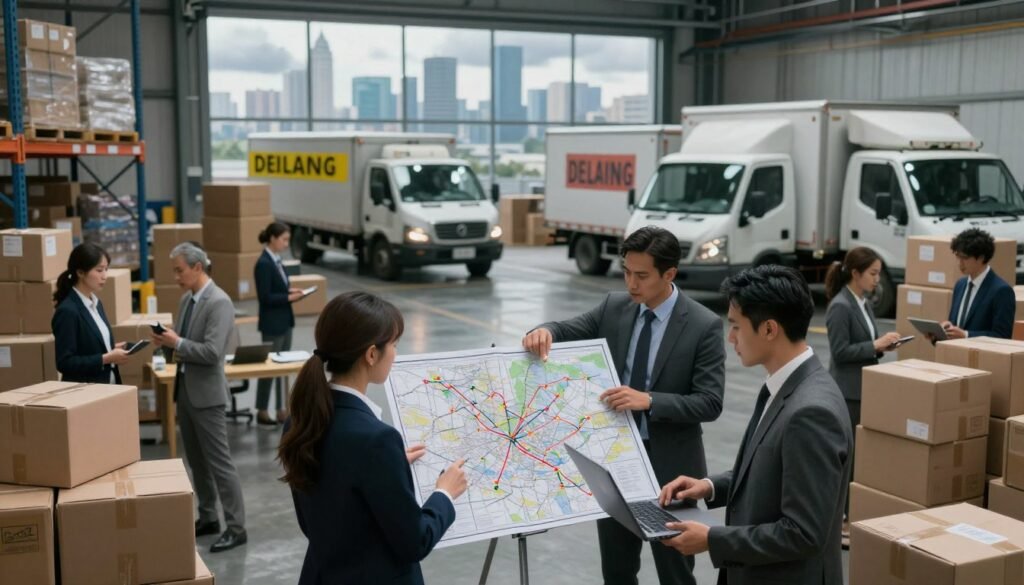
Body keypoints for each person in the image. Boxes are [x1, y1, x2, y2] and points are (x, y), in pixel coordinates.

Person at [522, 225, 725, 585]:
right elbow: (564, 329)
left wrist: (649, 401)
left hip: (673, 471)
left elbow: (710, 403)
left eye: (642, 275)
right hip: (616, 462)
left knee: (675, 572)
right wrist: (544, 331)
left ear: (670, 274)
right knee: (616, 570)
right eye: (627, 272)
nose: (631, 283)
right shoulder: (614, 307)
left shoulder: (703, 324)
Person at [659, 265, 852, 585]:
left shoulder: (811, 413)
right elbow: (773, 470)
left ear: (769, 329)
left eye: (736, 326)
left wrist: (712, 539)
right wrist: (709, 487)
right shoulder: (783, 385)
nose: (730, 337)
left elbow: (804, 533)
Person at [279, 291, 467, 585]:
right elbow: (414, 541)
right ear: (370, 354)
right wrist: (444, 494)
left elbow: (314, 522)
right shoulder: (376, 441)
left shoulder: (300, 420)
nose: (395, 353)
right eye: (393, 344)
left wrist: (387, 468)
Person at [150, 242, 247, 553]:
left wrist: (176, 341)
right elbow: (184, 344)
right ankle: (208, 517)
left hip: (208, 396)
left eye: (180, 270)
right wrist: (166, 341)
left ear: (197, 267)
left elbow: (212, 352)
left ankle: (236, 527)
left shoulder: (219, 302)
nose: (176, 276)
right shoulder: (187, 300)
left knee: (220, 464)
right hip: (186, 392)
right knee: (196, 462)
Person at [823, 247, 901, 542]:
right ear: (855, 273)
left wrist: (881, 346)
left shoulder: (863, 303)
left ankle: (850, 514)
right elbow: (840, 352)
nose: (877, 280)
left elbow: (866, 344)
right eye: (873, 273)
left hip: (864, 389)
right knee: (848, 458)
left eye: (878, 274)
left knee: (860, 458)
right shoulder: (840, 306)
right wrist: (875, 345)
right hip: (847, 392)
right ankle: (841, 518)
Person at [51, 243, 131, 384]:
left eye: (106, 269)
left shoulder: (96, 304)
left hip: (108, 385)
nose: (105, 276)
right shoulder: (68, 311)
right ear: (80, 272)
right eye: (99, 270)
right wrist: (106, 358)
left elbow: (89, 346)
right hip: (86, 392)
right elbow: (65, 362)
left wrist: (111, 348)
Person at [254, 221, 304, 426]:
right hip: (273, 323)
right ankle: (262, 410)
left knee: (283, 367)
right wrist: (287, 298)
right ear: (273, 238)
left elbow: (279, 289)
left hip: (285, 321)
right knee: (269, 369)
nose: (285, 244)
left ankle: (282, 408)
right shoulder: (264, 264)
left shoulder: (277, 260)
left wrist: (289, 293)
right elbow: (265, 297)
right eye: (283, 239)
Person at [939, 228, 1016, 340]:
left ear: (981, 258)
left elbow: (1002, 336)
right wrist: (944, 331)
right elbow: (956, 327)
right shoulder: (960, 285)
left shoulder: (1001, 291)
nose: (959, 263)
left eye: (964, 258)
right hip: (955, 353)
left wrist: (966, 335)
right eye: (958, 256)